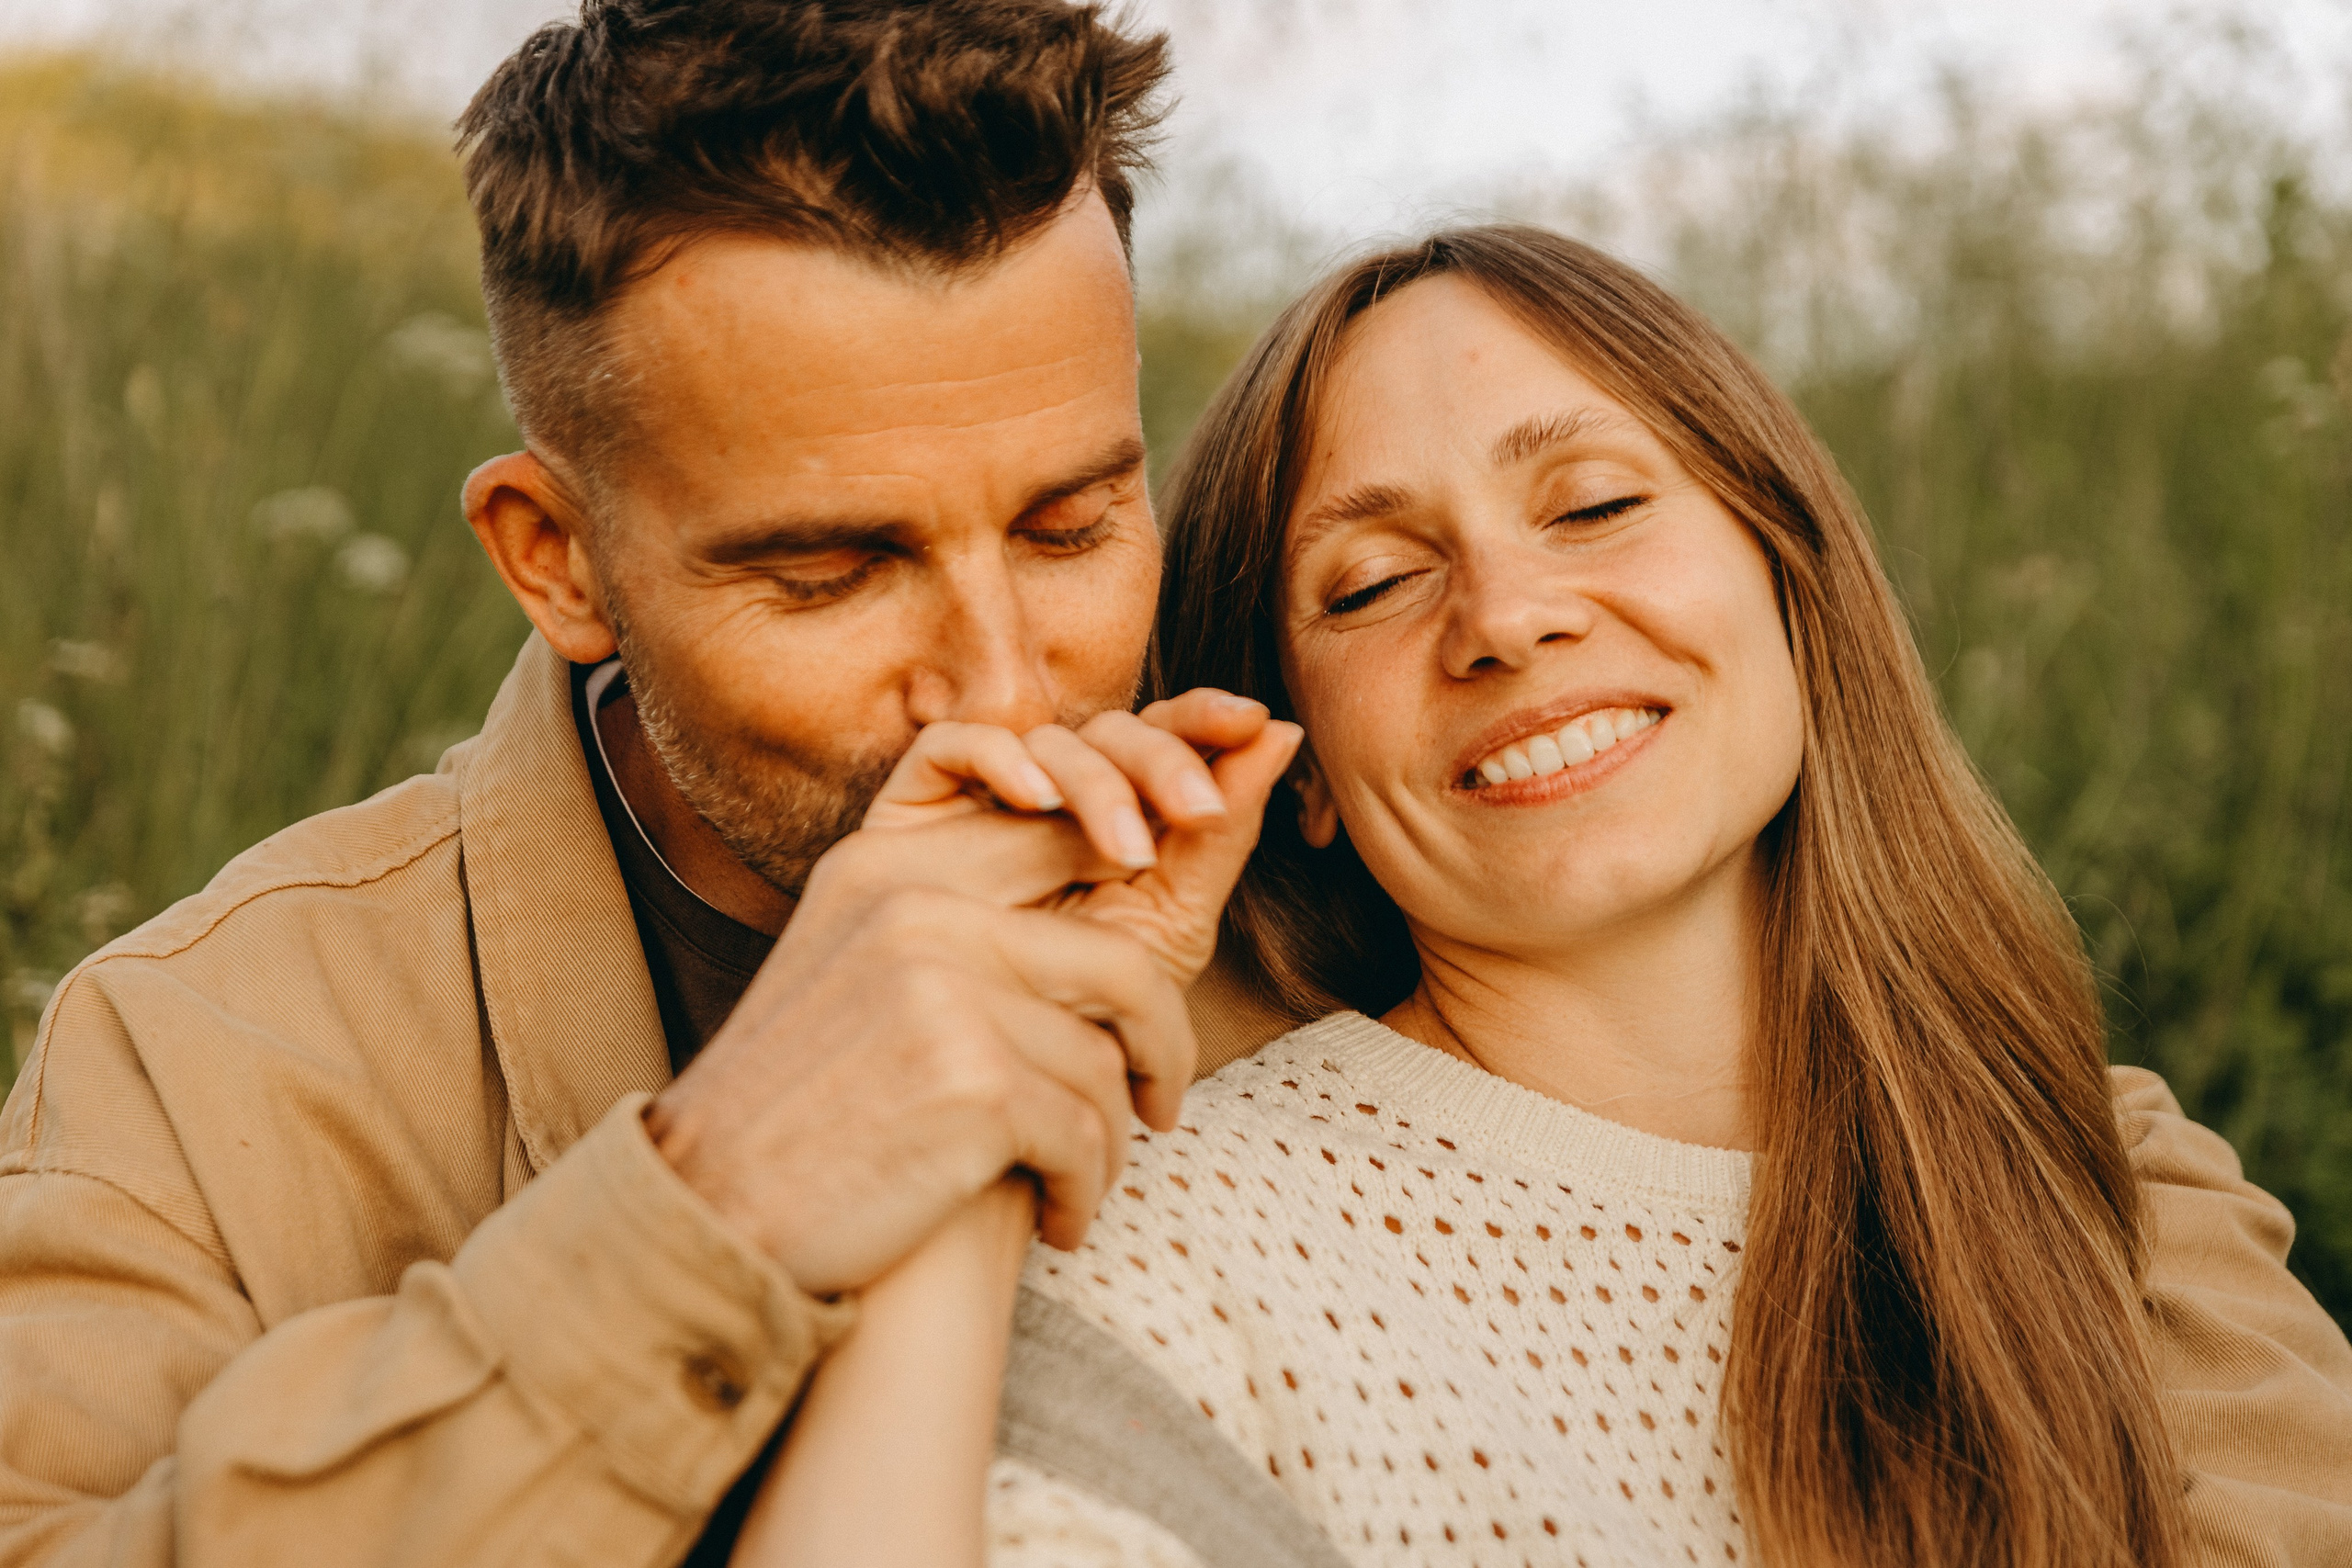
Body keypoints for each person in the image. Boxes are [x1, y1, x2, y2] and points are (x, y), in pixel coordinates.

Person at [725, 226, 2352, 1567]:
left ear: (1788, 569)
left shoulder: (2094, 1160)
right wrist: (971, 1137)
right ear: (1287, 755)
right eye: (1371, 581)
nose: (1506, 614)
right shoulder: (1175, 1244)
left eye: (1592, 503)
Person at [0, 4, 1298, 1564]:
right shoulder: (202, 1057)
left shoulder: (1335, 901)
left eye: (1072, 526)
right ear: (557, 561)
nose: (1006, 692)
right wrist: (720, 1199)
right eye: (829, 572)